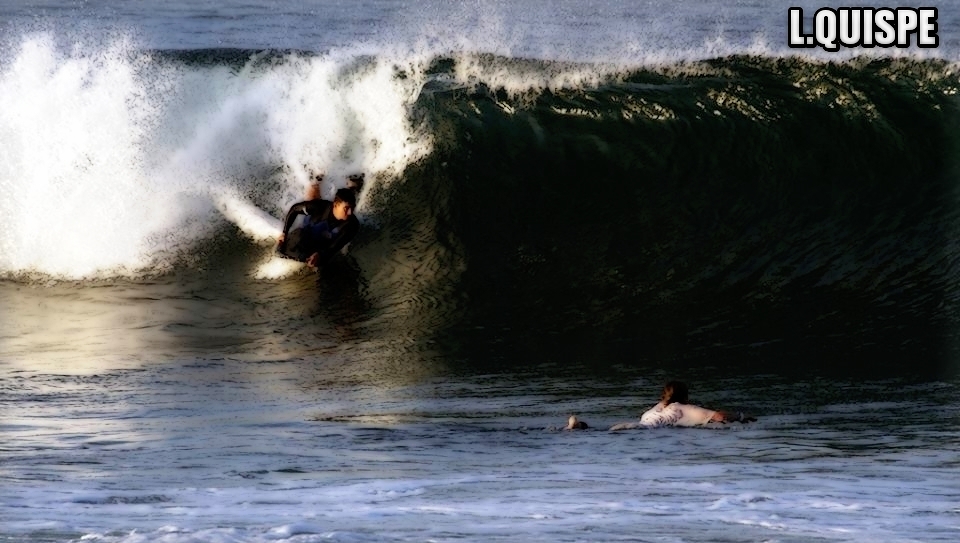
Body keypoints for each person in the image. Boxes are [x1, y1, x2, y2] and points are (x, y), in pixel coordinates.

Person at [277, 174, 363, 268]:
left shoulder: (352, 225)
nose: (350, 213)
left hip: (323, 240)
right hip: (312, 223)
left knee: (348, 198)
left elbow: (335, 247)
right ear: (335, 205)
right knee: (313, 200)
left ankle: (353, 187)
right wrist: (284, 233)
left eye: (352, 208)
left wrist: (321, 255)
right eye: (346, 209)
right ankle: (316, 180)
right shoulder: (319, 207)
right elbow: (294, 209)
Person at [609, 381, 755, 431]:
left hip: (632, 426)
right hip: (644, 431)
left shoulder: (656, 408)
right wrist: (741, 416)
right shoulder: (680, 408)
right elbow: (719, 416)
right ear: (685, 396)